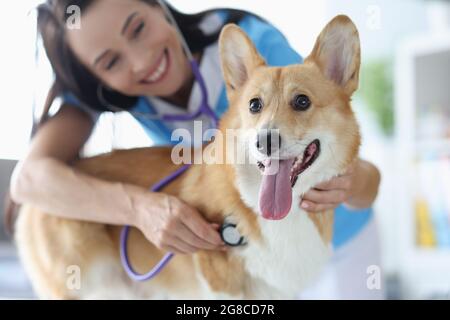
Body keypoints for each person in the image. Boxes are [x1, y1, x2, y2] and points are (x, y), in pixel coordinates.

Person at [9, 0, 381, 298]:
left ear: (160, 7)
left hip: (341, 239)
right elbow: (29, 180)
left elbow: (355, 163)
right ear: (98, 82)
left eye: (137, 28)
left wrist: (350, 181)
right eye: (111, 61)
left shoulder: (256, 47)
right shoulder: (105, 93)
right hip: (254, 256)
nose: (141, 60)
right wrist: (141, 209)